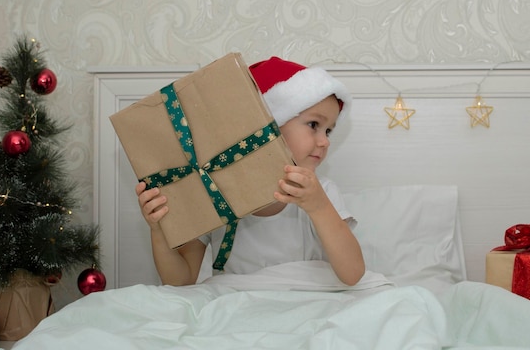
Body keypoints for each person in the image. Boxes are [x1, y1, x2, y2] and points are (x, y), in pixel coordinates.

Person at [136, 56, 365, 286]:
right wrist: (158, 231)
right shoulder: (214, 193)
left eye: (328, 131)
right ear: (268, 125)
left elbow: (353, 273)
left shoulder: (322, 192)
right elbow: (180, 281)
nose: (325, 142)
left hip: (302, 303)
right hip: (236, 307)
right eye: (314, 125)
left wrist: (319, 207)